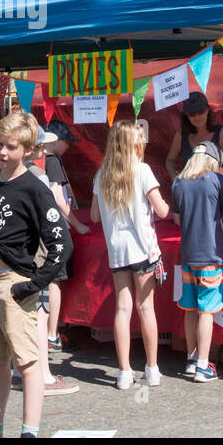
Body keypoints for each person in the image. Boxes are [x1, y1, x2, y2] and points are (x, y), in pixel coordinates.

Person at [0, 109, 71, 438]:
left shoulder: (35, 188)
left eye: (11, 147)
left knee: (27, 363)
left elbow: (61, 242)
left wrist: (35, 284)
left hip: (16, 284)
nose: (2, 152)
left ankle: (29, 432)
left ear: (27, 150)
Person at [91, 120, 170, 390]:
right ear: (135, 145)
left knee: (122, 308)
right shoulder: (143, 170)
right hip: (143, 247)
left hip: (116, 248)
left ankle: (124, 371)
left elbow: (93, 214)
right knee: (145, 307)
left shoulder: (102, 174)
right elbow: (161, 210)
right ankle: (152, 367)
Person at [22, 129, 79, 397]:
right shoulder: (39, 175)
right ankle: (43, 375)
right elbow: (52, 209)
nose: (44, 150)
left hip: (21, 255)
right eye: (41, 146)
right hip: (38, 253)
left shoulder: (12, 176)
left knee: (27, 313)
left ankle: (23, 367)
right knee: (40, 313)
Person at [171, 142, 223, 382]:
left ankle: (191, 357)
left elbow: (177, 218)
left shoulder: (178, 182)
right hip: (211, 254)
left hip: (187, 253)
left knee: (190, 307)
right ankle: (203, 365)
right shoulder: (217, 181)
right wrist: (222, 226)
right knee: (207, 310)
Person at [42, 119, 90, 353]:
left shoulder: (42, 160)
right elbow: (58, 198)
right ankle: (52, 334)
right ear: (57, 141)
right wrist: (78, 225)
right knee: (55, 281)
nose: (68, 147)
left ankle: (50, 331)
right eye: (67, 142)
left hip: (45, 227)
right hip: (55, 229)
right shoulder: (52, 162)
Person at [165, 91, 223, 186]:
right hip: (189, 194)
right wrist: (176, 179)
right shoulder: (180, 135)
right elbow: (170, 161)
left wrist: (203, 183)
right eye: (192, 114)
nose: (197, 117)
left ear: (208, 110)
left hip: (215, 194)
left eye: (200, 112)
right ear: (186, 116)